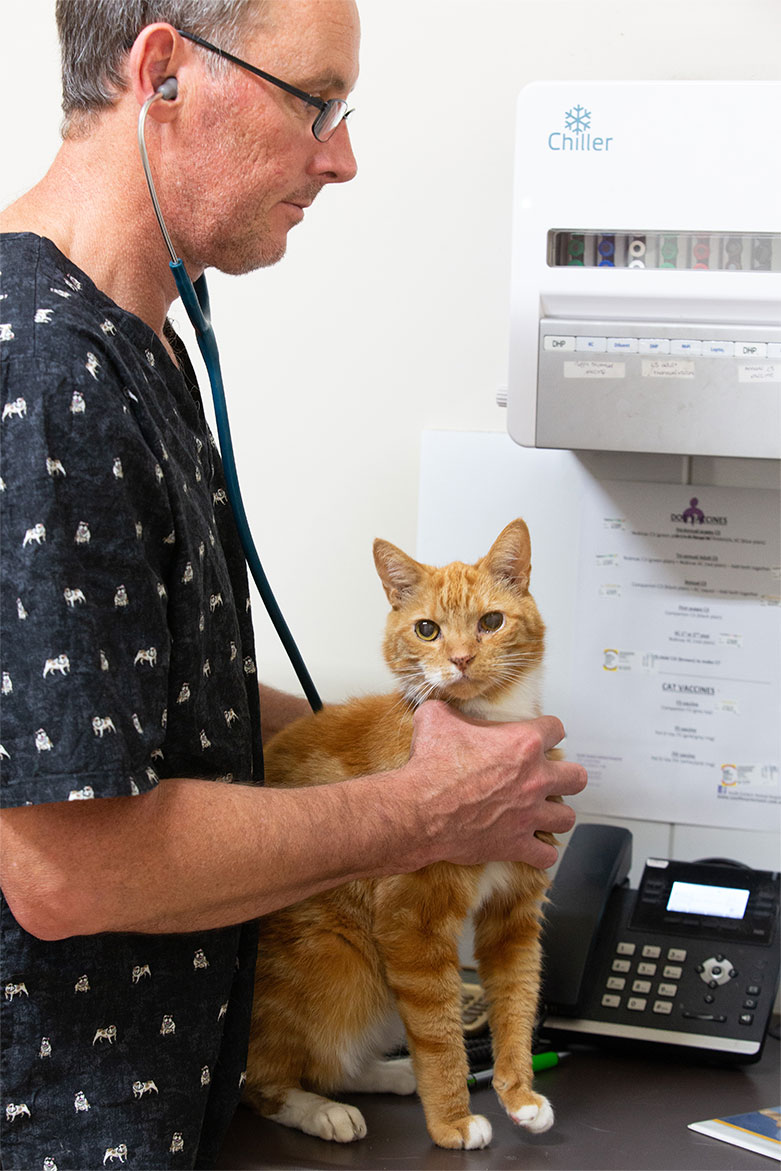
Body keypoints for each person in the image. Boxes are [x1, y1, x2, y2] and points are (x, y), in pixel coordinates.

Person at [0, 1, 587, 1167]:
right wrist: (419, 811)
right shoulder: (48, 373)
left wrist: (407, 738)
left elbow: (133, 707)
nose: (343, 156)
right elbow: (67, 867)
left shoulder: (135, 340)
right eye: (316, 102)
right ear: (163, 72)